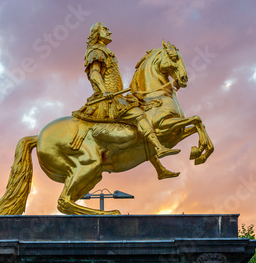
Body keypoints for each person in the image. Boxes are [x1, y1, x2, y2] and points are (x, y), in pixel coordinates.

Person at [72, 22, 180, 161]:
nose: (109, 31)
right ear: (97, 34)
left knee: (141, 118)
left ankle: (159, 167)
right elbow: (94, 73)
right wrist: (104, 91)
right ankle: (159, 148)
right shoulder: (96, 51)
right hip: (107, 100)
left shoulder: (106, 51)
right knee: (139, 115)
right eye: (105, 29)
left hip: (116, 97)